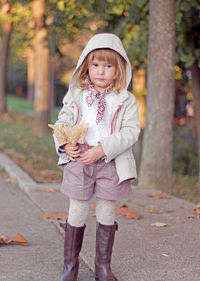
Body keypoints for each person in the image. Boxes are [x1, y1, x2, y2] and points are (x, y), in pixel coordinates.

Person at [53, 33, 140, 281]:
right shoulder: (77, 96)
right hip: (80, 159)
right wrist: (66, 145)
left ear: (119, 68)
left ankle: (102, 266)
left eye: (108, 65)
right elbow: (63, 122)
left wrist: (103, 149)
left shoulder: (126, 100)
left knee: (106, 210)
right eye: (95, 65)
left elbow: (131, 131)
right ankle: (70, 267)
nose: (101, 71)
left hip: (110, 161)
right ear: (86, 66)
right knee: (77, 209)